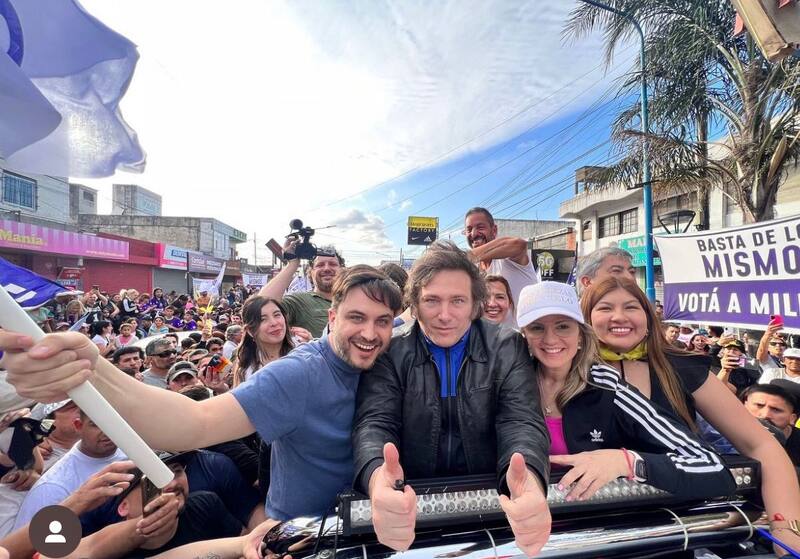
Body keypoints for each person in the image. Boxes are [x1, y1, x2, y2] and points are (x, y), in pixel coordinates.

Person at [0, 266, 402, 541]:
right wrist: (92, 369)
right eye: (356, 317)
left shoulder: (393, 360)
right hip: (302, 540)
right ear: (331, 317)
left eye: (382, 321)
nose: (369, 333)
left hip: (371, 532)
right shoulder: (299, 374)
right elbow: (196, 422)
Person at [353, 241, 550, 556]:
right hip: (410, 503)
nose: (445, 315)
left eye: (457, 301)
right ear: (414, 304)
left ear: (475, 305)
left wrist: (528, 479)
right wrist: (378, 480)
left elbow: (521, 420)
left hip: (492, 502)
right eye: (432, 301)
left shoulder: (506, 346)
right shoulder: (392, 351)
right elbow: (375, 422)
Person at [580, 276, 800, 553]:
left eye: (631, 307)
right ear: (585, 317)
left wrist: (788, 537)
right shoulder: (564, 368)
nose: (619, 317)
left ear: (648, 316)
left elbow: (761, 445)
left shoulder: (681, 367)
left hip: (679, 532)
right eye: (605, 308)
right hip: (582, 534)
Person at [516, 281, 734, 501]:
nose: (551, 339)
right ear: (523, 335)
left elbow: (711, 465)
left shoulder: (605, 385)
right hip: (508, 528)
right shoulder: (507, 387)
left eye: (563, 326)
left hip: (596, 528)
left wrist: (626, 462)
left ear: (581, 335)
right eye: (537, 327)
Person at [13, 410, 126, 531]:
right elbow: (28, 544)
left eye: (113, 421)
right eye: (96, 424)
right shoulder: (52, 488)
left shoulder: (135, 445)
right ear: (79, 426)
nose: (106, 430)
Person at [463, 207, 539, 327]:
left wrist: (462, 256)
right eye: (469, 229)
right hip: (491, 342)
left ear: (494, 230)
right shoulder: (472, 270)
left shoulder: (508, 259)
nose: (474, 234)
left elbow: (518, 245)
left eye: (480, 227)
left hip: (523, 340)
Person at [259, 241, 345, 338]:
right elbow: (260, 305)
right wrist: (293, 264)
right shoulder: (299, 301)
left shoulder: (353, 299)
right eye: (320, 265)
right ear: (310, 271)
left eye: (332, 264)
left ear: (342, 269)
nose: (326, 268)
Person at [233, 296, 294, 386]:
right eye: (262, 319)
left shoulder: (304, 352)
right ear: (250, 330)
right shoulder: (245, 370)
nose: (274, 323)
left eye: (277, 315)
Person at [742, 384, 800, 467]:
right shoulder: (726, 433)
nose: (765, 415)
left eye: (776, 410)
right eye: (759, 405)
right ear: (744, 405)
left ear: (792, 418)